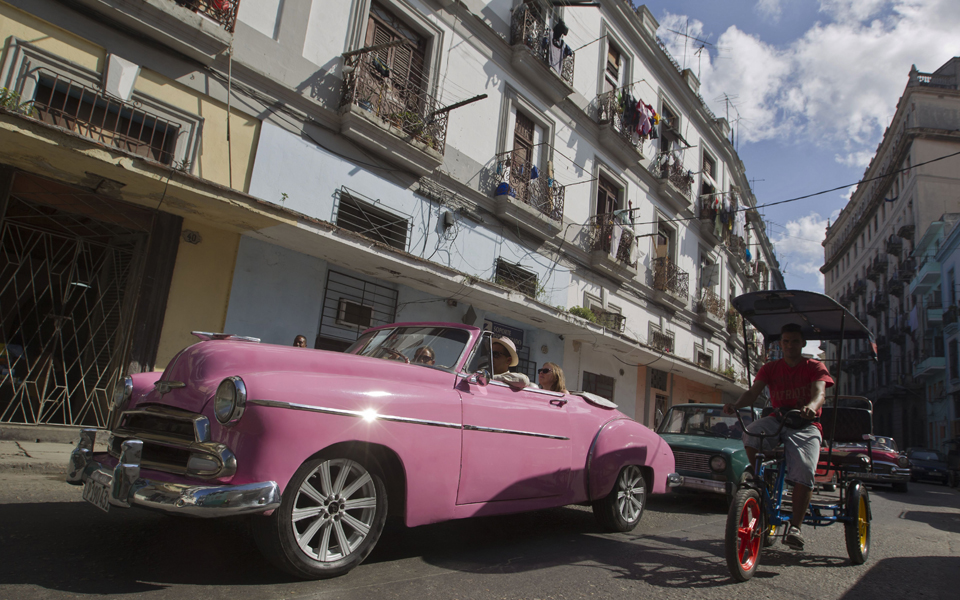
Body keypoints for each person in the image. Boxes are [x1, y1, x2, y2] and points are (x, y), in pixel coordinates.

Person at [723, 322, 833, 551]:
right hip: (778, 418)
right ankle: (760, 480)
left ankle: (795, 527)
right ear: (781, 344)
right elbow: (752, 393)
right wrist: (735, 405)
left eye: (795, 341)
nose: (790, 345)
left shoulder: (815, 366)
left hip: (805, 423)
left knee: (805, 468)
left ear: (803, 343)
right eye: (786, 341)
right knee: (751, 433)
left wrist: (812, 407)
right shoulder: (770, 368)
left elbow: (819, 393)